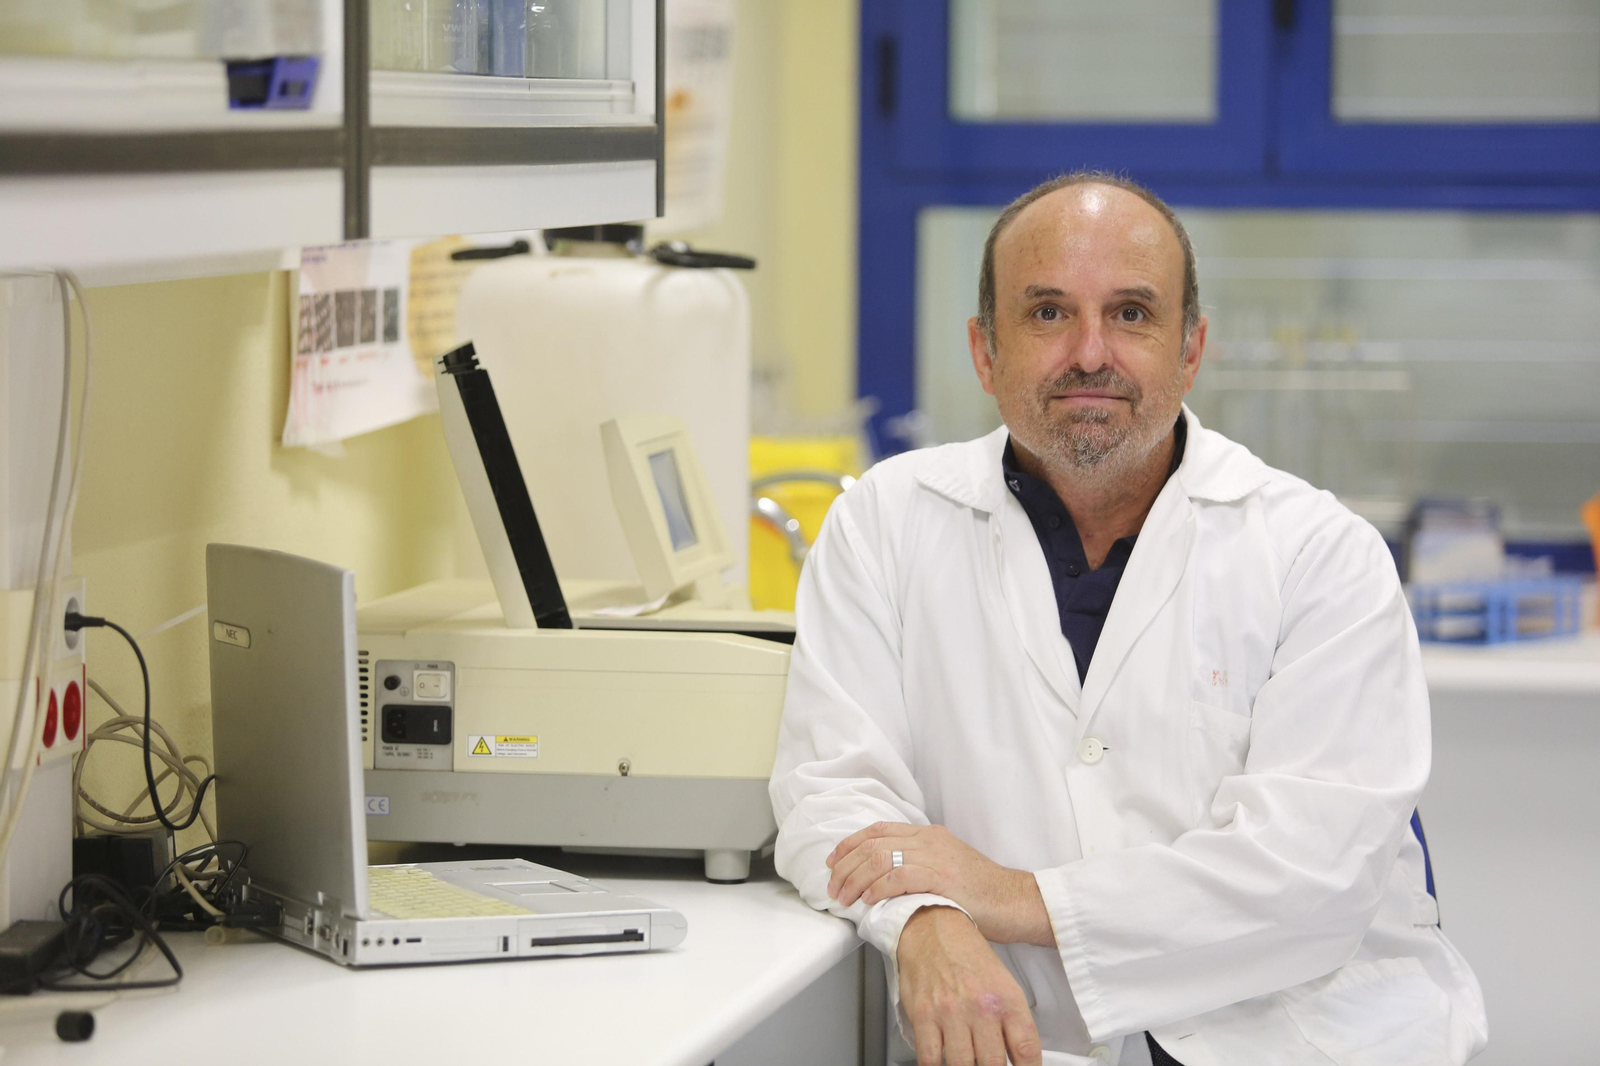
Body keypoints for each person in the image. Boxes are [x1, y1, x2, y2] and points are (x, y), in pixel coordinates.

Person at [768, 171, 1487, 1066]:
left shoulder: (1319, 555)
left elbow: (1312, 878)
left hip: (1301, 1039)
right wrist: (928, 923)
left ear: (1192, 350)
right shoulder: (885, 521)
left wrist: (1007, 896)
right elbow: (831, 794)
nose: (1090, 352)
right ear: (983, 351)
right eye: (1046, 313)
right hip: (1026, 1040)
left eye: (1133, 314)